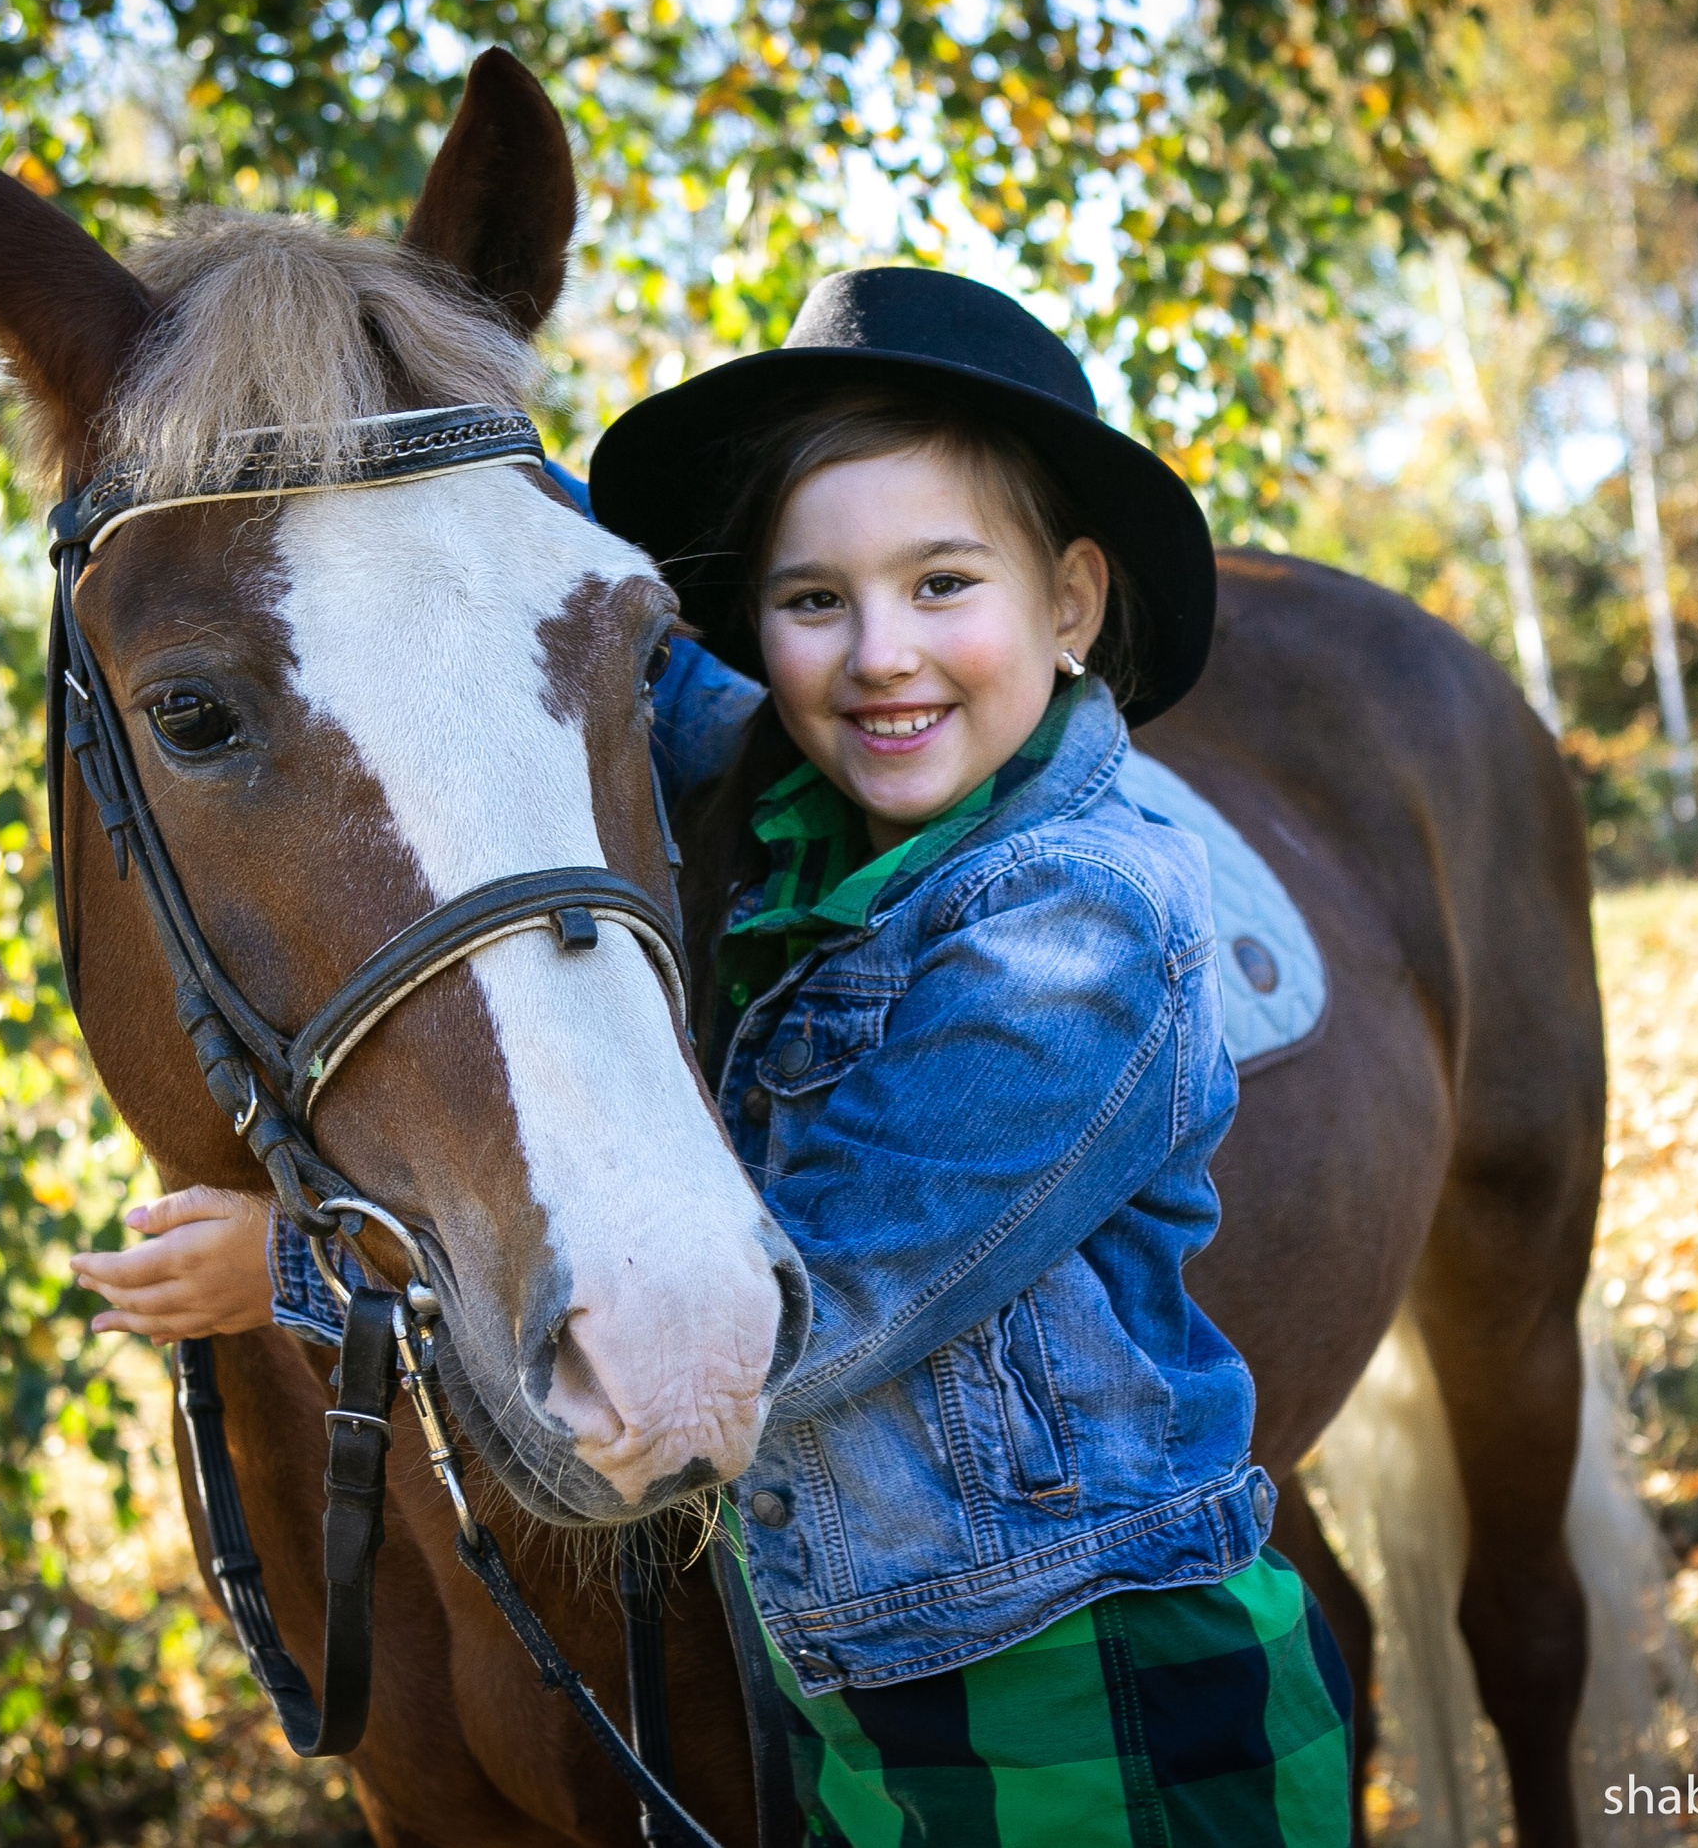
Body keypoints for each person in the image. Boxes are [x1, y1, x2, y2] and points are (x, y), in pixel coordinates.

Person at [75, 267, 1352, 1846]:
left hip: (1108, 1721)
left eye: (944, 583)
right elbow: (504, 618)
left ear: (1072, 605)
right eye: (816, 602)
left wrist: (299, 1267)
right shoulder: (806, 778)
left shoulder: (1078, 926)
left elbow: (793, 1321)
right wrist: (369, 382)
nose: (881, 655)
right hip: (878, 1715)